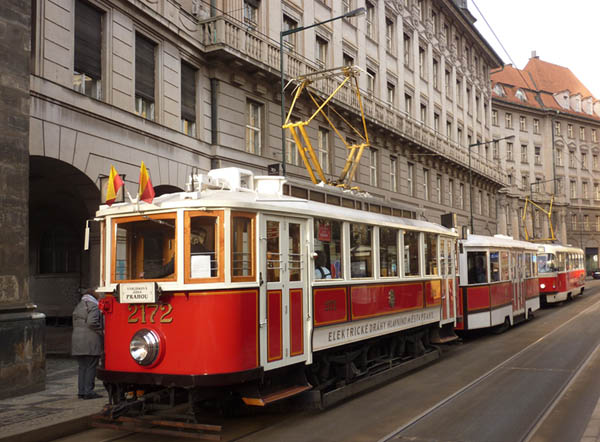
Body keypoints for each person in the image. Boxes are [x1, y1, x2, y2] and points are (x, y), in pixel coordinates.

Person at [72, 287, 104, 399]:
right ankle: (88, 391)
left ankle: (81, 391)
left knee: (82, 367)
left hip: (77, 340)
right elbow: (92, 322)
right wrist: (102, 331)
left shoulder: (79, 306)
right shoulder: (94, 306)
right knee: (91, 366)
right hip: (90, 340)